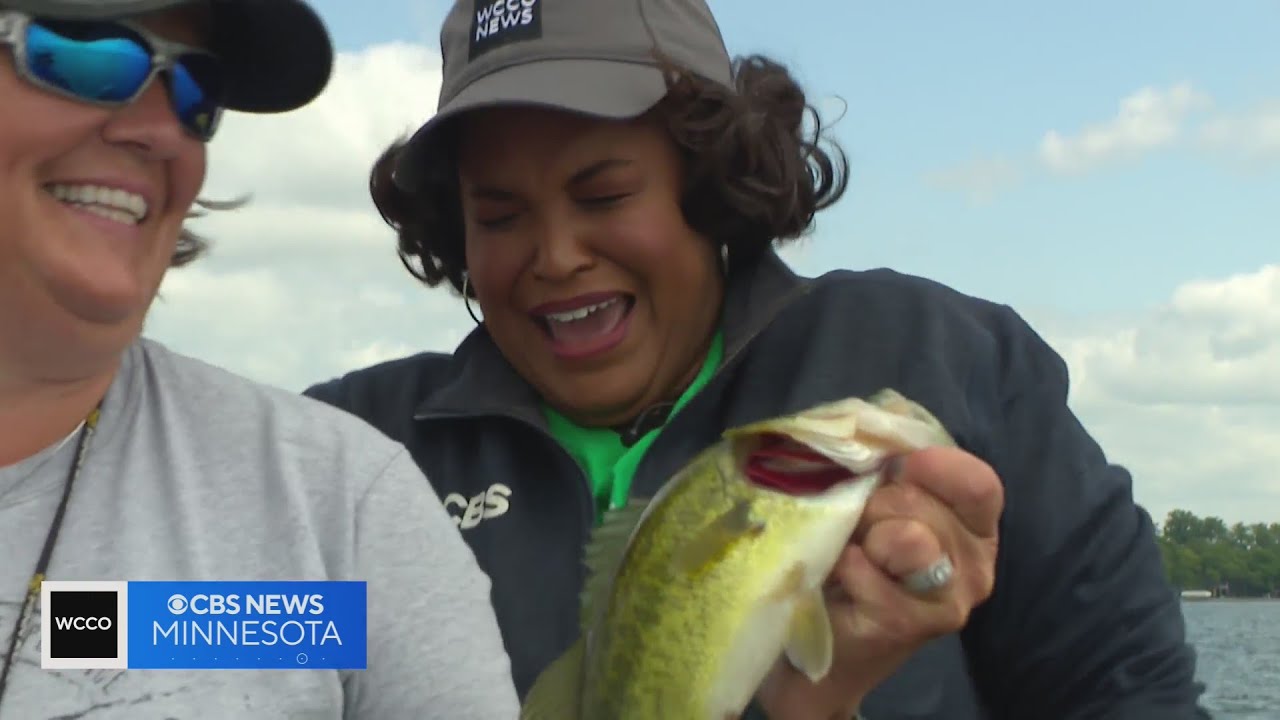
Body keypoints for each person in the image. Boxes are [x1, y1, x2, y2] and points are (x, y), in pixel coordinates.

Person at [305, 0, 1211, 717]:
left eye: (606, 192)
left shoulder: (946, 360)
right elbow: (181, 641)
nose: (556, 254)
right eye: (499, 216)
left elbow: (1135, 696)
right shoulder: (344, 453)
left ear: (713, 180)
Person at [0, 0, 521, 718]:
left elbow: (104, 628)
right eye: (86, 54)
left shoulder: (332, 513)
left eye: (196, 90)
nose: (161, 130)